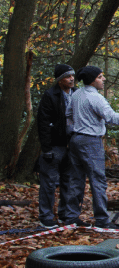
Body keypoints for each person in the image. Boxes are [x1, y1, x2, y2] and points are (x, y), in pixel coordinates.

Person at [64, 66, 119, 228]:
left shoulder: (76, 94)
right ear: (91, 80)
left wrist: (73, 131)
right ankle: (102, 220)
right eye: (100, 77)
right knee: (98, 181)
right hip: (91, 142)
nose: (103, 79)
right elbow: (113, 118)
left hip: (76, 140)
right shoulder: (95, 98)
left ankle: (71, 217)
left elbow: (68, 115)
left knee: (76, 180)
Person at [36, 64, 76, 228]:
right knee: (49, 183)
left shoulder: (77, 94)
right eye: (68, 76)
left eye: (73, 75)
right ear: (60, 80)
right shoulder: (50, 95)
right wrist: (46, 149)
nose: (72, 79)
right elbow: (43, 123)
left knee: (69, 181)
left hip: (72, 145)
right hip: (54, 146)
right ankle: (46, 216)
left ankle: (65, 214)